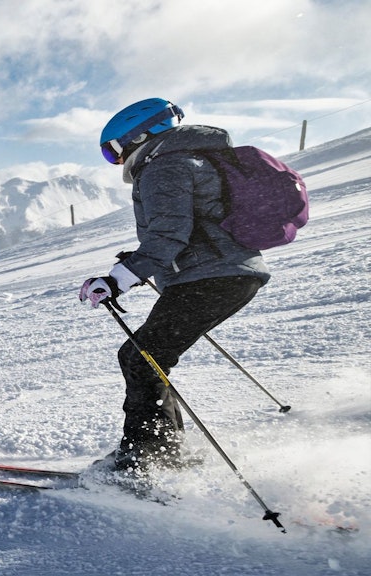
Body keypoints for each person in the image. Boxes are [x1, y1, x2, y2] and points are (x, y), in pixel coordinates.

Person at [80, 98, 270, 474]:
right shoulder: (189, 159)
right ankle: (163, 452)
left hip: (212, 277)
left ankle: (146, 461)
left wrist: (119, 280)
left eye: (114, 150)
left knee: (141, 358)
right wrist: (140, 261)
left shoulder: (164, 166)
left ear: (141, 135)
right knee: (146, 356)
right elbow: (187, 228)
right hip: (226, 273)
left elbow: (169, 234)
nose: (116, 161)